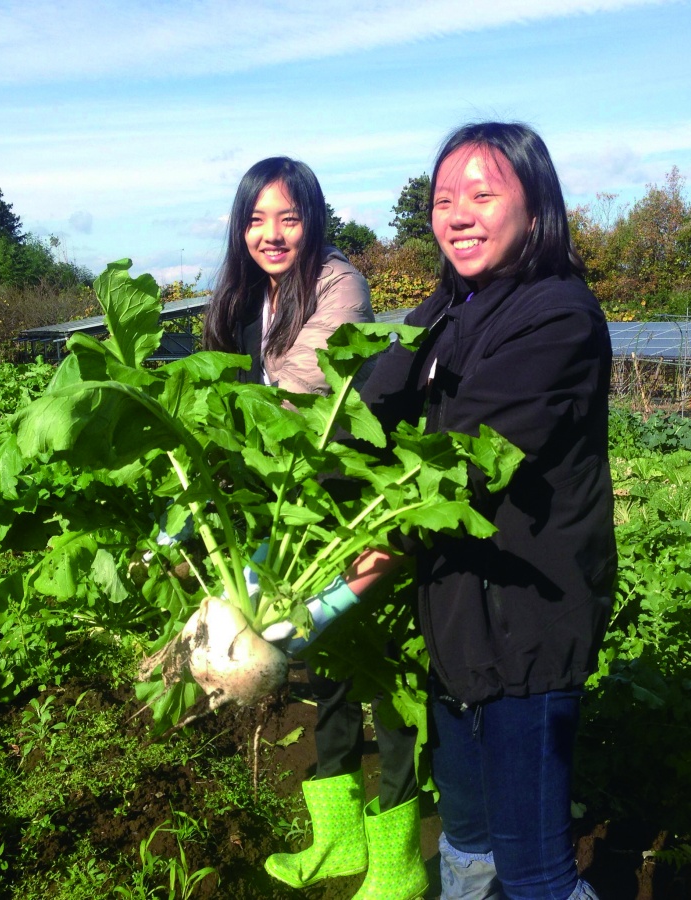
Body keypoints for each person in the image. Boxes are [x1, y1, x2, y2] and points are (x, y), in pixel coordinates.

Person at [330, 122, 616, 899]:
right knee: (465, 840)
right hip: (456, 620)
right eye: (443, 199)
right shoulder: (444, 309)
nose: (456, 215)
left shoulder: (558, 317)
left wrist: (338, 589)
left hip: (527, 624)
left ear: (536, 208)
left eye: (482, 196)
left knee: (536, 871)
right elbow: (364, 411)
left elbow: (459, 462)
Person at [202, 156, 428, 900]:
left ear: (313, 221)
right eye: (257, 219)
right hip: (287, 499)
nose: (272, 234)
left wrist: (228, 445)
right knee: (325, 669)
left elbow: (301, 393)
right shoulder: (245, 297)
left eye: (288, 218)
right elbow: (220, 387)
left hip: (349, 495)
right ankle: (336, 838)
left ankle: (397, 859)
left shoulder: (338, 283)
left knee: (380, 671)